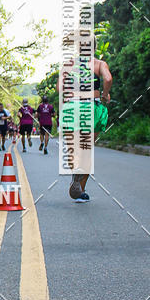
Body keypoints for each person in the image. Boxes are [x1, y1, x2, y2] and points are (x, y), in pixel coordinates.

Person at [59, 49, 112, 202]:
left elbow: (59, 87)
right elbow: (108, 79)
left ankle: (75, 171)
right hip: (91, 106)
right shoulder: (99, 63)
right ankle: (80, 190)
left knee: (72, 149)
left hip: (72, 107)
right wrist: (104, 94)